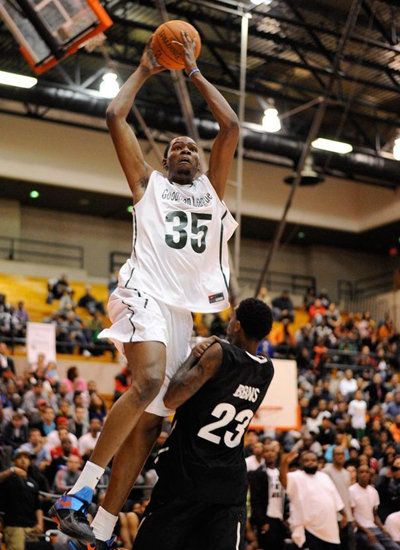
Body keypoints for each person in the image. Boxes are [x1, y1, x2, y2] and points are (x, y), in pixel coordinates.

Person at [51, 30, 239, 547]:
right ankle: (79, 492)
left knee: (151, 425)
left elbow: (230, 126)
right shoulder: (147, 185)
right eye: (174, 146)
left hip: (180, 313)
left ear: (199, 162)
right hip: (143, 291)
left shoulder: (211, 191)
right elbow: (115, 116)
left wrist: (195, 70)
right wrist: (145, 69)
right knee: (150, 378)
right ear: (164, 160)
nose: (182, 148)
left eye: (189, 147)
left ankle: (103, 527)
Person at [124, 298, 273, 550]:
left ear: (237, 325)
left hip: (188, 477)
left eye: (233, 316)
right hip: (229, 488)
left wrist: (193, 357)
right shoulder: (266, 370)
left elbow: (172, 397)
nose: (229, 320)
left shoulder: (218, 353)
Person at [280, 450, 347, 549]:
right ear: (301, 463)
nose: (310, 462)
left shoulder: (324, 477)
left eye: (313, 460)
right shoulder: (296, 476)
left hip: (330, 531)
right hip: (310, 530)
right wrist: (284, 463)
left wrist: (344, 514)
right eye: (306, 460)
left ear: (318, 462)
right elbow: (283, 480)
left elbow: (336, 499)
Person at [0, 449, 44, 550]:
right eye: (19, 457)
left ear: (29, 461)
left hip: (32, 527)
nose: (23, 460)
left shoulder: (33, 482)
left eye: (26, 458)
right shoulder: (8, 477)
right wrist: (11, 470)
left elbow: (38, 506)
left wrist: (40, 523)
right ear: (14, 461)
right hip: (14, 526)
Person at [350, 465, 400, 549]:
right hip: (360, 530)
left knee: (395, 547)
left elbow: (375, 514)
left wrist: (383, 528)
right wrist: (367, 532)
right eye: (361, 472)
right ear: (357, 474)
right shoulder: (351, 490)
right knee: (380, 549)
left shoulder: (373, 491)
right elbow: (352, 517)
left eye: (366, 472)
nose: (364, 474)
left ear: (370, 475)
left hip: (374, 528)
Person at [248, 443, 287, 549]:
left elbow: (286, 496)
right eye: (266, 451)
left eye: (272, 451)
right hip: (267, 518)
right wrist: (262, 521)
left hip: (280, 518)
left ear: (277, 453)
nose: (270, 454)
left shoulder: (281, 472)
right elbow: (255, 500)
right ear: (262, 454)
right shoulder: (257, 473)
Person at [323, 446, 355, 549]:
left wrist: (351, 516)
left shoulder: (347, 473)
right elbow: (326, 496)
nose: (340, 456)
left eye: (342, 454)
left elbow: (347, 496)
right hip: (333, 517)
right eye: (338, 454)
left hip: (348, 517)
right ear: (332, 456)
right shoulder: (325, 472)